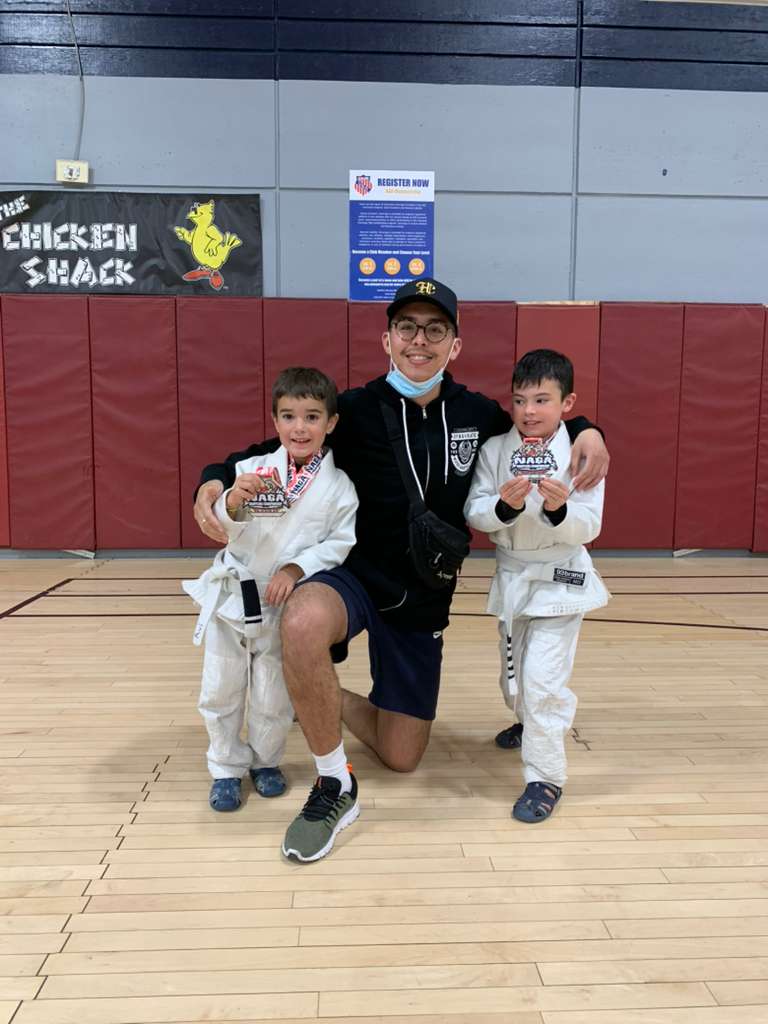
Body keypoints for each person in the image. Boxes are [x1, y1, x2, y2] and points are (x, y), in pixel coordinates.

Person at [194, 280, 610, 860]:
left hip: (422, 596)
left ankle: (312, 692)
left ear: (455, 345)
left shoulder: (479, 414)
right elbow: (272, 445)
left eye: (435, 329)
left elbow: (539, 425)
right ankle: (334, 782)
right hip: (356, 578)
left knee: (402, 755)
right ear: (386, 338)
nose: (420, 340)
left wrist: (591, 428)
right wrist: (212, 478)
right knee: (302, 621)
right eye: (408, 328)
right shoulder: (356, 411)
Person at [183, 367, 358, 815]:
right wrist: (232, 502)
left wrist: (299, 567)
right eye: (289, 416)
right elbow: (221, 526)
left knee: (272, 693)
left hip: (281, 600)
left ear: (331, 423)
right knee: (221, 687)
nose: (300, 427)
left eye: (312, 417)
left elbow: (339, 542)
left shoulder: (340, 488)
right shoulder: (249, 470)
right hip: (233, 597)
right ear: (275, 421)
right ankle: (225, 767)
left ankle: (265, 762)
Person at [464, 349, 610, 823]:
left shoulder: (582, 453)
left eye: (542, 400)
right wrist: (501, 509)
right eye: (520, 400)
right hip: (513, 576)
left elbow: (590, 525)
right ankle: (526, 721)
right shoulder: (494, 450)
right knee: (514, 682)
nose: (529, 411)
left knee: (542, 681)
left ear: (568, 403)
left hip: (561, 578)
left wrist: (559, 511)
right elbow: (474, 510)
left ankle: (544, 776)